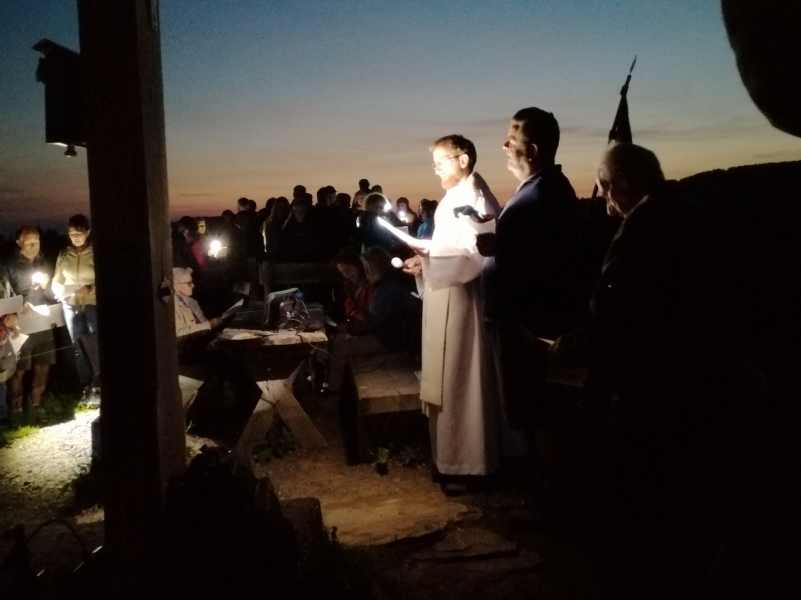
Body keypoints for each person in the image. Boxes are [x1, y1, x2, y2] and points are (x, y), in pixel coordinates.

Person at [551, 142, 736, 597]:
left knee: (627, 498)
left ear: (625, 181)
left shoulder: (643, 228)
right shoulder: (691, 212)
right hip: (696, 381)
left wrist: (565, 347)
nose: (603, 198)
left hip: (650, 387)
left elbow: (619, 317)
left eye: (604, 186)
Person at [402, 134, 514, 493]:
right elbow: (451, 246)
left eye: (441, 161)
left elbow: (479, 255)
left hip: (466, 303)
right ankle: (449, 458)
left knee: (463, 378)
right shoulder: (455, 195)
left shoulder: (476, 198)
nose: (435, 168)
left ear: (463, 159)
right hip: (447, 295)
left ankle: (471, 463)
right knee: (448, 379)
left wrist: (431, 256)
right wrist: (424, 260)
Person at [477, 107, 581, 481]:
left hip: (529, 326)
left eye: (512, 138)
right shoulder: (536, 190)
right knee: (533, 412)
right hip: (520, 322)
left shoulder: (548, 191)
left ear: (533, 150)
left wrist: (501, 247)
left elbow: (552, 258)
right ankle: (548, 486)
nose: (504, 145)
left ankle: (557, 493)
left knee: (543, 412)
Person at [4, 226, 56, 411]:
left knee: (43, 365)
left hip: (44, 321)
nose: (34, 246)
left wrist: (47, 286)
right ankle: (16, 410)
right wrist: (18, 305)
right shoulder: (9, 265)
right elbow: (5, 294)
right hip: (20, 324)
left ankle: (36, 406)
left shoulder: (45, 262)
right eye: (29, 242)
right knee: (19, 369)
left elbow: (55, 295)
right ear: (19, 243)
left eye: (37, 242)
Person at [52, 215, 99, 391]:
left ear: (88, 232)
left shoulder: (96, 251)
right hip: (71, 305)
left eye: (79, 233)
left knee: (95, 344)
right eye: (72, 234)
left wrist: (90, 288)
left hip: (93, 304)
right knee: (78, 345)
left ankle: (99, 383)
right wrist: (59, 291)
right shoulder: (64, 254)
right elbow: (57, 280)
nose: (75, 237)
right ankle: (85, 385)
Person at [173, 268, 222, 337]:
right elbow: (179, 333)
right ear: (175, 286)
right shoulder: (172, 307)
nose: (193, 285)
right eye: (189, 283)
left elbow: (203, 321)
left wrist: (213, 325)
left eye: (192, 282)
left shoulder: (192, 301)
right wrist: (209, 324)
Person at [334, 247, 373, 322]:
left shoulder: (370, 286)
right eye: (342, 272)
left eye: (347, 269)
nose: (345, 275)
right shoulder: (349, 288)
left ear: (357, 266)